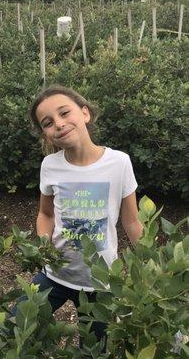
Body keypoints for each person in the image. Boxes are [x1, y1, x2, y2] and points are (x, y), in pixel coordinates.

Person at [29, 85, 143, 348]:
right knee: (16, 325)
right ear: (46, 135)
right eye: (47, 123)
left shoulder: (119, 163)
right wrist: (44, 245)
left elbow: (132, 221)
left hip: (99, 283)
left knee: (94, 349)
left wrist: (151, 264)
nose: (58, 123)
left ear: (85, 113)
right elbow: (45, 214)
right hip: (54, 274)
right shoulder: (50, 166)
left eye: (64, 112)